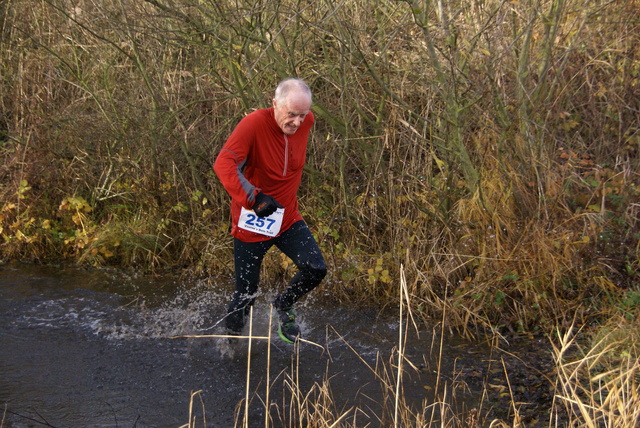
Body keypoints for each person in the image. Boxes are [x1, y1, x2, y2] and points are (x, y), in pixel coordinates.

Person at [213, 78, 327, 343]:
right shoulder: (253, 124)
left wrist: (297, 118)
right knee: (246, 296)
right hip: (252, 223)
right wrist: (254, 197)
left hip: (286, 219)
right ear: (274, 104)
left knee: (315, 269)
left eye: (303, 115)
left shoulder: (306, 123)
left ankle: (283, 305)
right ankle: (229, 348)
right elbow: (224, 163)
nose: (297, 122)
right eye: (291, 114)